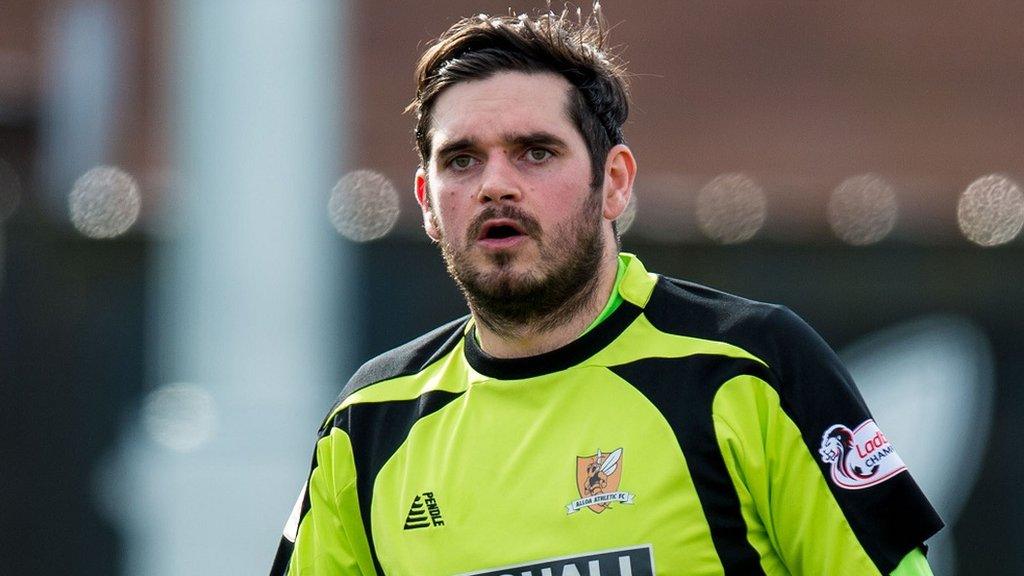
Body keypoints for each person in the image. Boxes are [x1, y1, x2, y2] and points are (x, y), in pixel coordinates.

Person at [270, 8, 942, 576]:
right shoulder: (368, 422)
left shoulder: (746, 367)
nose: (495, 185)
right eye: (462, 159)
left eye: (536, 151)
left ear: (614, 181)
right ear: (426, 200)